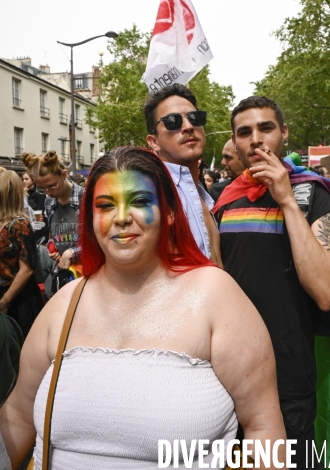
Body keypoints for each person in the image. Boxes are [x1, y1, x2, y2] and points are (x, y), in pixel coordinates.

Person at [0, 146, 286, 469]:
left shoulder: (216, 298)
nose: (122, 218)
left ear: (169, 213)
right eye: (106, 205)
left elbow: (264, 429)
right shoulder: (62, 307)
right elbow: (20, 419)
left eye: (139, 202)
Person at [213, 96, 330, 470]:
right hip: (225, 376)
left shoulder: (312, 194)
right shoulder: (223, 202)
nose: (255, 139)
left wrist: (287, 201)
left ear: (284, 133)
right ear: (235, 141)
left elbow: (328, 293)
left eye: (266, 128)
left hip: (286, 379)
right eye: (244, 132)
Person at [144, 84, 222, 266]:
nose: (188, 126)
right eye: (173, 121)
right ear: (153, 142)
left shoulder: (204, 196)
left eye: (195, 118)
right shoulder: (152, 195)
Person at [21, 151, 84, 271]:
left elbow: (98, 240)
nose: (48, 192)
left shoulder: (84, 198)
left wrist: (72, 252)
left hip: (85, 272)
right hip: (62, 272)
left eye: (52, 186)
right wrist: (52, 246)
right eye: (42, 188)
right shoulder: (49, 201)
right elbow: (53, 233)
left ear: (64, 174)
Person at [0, 170, 44, 338]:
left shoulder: (20, 224)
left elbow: (26, 269)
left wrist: (5, 301)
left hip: (18, 300)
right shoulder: (11, 223)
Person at [21, 169, 49, 242]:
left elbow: (39, 215)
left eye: (26, 179)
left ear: (33, 180)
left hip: (39, 230)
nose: (24, 181)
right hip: (28, 228)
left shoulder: (39, 194)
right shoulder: (23, 194)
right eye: (23, 179)